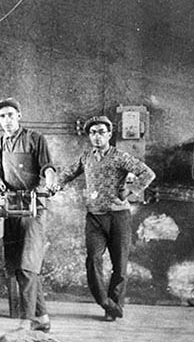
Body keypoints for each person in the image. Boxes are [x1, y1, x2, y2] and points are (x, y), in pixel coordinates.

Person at [53, 115, 155, 321]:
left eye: (101, 132)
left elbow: (147, 174)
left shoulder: (120, 156)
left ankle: (113, 307)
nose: (97, 136)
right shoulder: (86, 157)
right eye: (93, 133)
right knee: (93, 260)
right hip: (94, 218)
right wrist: (55, 184)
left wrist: (130, 191)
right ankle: (105, 302)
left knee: (120, 266)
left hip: (118, 217)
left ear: (109, 134)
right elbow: (67, 174)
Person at [0, 98, 54, 331]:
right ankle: (42, 318)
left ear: (19, 115)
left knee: (28, 264)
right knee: (19, 265)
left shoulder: (35, 139)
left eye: (10, 115)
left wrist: (51, 181)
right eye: (2, 116)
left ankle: (25, 322)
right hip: (11, 206)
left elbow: (47, 167)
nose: (7, 120)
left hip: (34, 205)